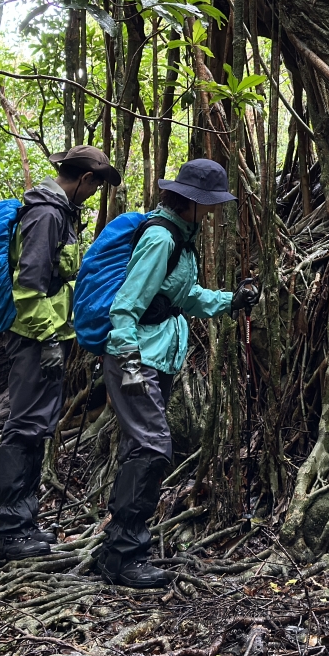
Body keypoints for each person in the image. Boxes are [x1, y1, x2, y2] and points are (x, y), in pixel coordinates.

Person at [96, 157, 260, 588]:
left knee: (140, 448)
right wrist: (130, 366)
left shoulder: (181, 239)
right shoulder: (161, 239)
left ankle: (117, 550)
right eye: (208, 204)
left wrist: (232, 301)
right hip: (136, 359)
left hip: (157, 358)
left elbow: (184, 298)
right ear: (189, 201)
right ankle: (124, 556)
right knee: (153, 448)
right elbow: (126, 307)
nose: (211, 212)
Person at [0, 144, 120, 562]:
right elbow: (28, 286)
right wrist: (48, 339)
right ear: (85, 179)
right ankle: (9, 531)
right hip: (34, 339)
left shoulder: (59, 212)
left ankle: (23, 524)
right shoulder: (47, 214)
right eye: (97, 186)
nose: (95, 194)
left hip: (46, 337)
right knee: (25, 429)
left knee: (36, 429)